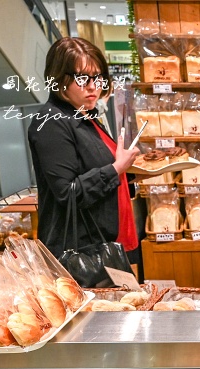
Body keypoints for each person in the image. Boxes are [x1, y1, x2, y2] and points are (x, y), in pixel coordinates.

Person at [28, 38, 140, 260]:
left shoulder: (84, 114)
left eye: (97, 77)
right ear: (59, 79)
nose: (92, 86)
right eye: (81, 78)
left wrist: (131, 173)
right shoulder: (51, 122)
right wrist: (117, 168)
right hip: (80, 253)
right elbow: (68, 193)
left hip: (104, 243)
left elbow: (94, 168)